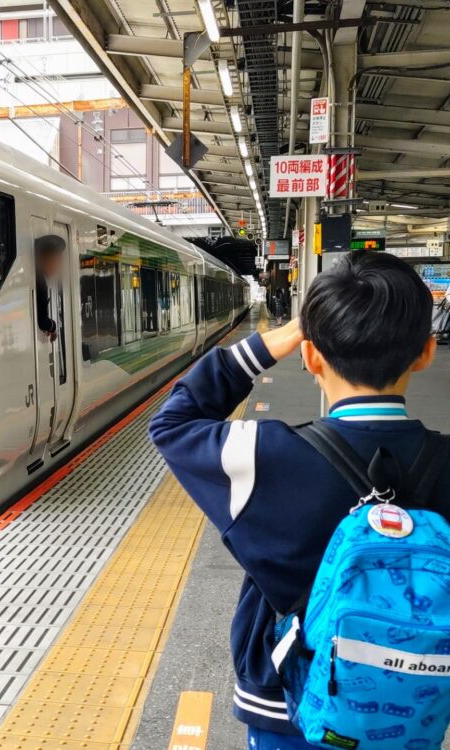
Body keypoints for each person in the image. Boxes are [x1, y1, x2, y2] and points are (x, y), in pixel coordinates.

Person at [149, 251, 448, 749]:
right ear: (426, 353)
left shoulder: (262, 455)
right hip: (410, 706)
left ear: (310, 356)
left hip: (288, 706)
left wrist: (282, 338)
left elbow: (173, 421)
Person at [34, 234, 66, 342]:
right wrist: (53, 327)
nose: (57, 267)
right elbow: (42, 321)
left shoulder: (36, 277)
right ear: (43, 260)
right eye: (54, 261)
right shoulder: (40, 283)